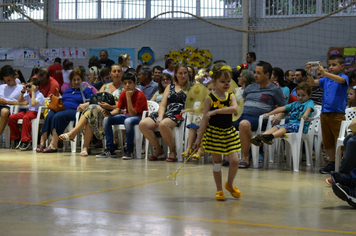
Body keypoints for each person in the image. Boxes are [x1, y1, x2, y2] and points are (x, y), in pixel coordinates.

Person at [194, 64, 241, 201]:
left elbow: (234, 109)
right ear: (213, 81)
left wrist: (216, 111)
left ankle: (230, 184)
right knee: (217, 163)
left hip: (229, 133)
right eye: (222, 81)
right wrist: (199, 138)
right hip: (214, 134)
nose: (226, 84)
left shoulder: (231, 96)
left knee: (234, 160)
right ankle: (219, 189)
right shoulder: (210, 99)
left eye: (228, 82)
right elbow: (204, 119)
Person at [58, 64, 124, 156]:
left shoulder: (125, 86)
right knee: (91, 114)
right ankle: (84, 147)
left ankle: (75, 134)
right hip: (100, 112)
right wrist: (85, 105)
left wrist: (110, 106)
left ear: (122, 73)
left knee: (92, 111)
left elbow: (124, 105)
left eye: (119, 71)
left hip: (115, 113)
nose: (116, 73)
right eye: (114, 71)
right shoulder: (106, 86)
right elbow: (96, 99)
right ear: (110, 73)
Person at [232, 61, 286, 168]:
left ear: (267, 75)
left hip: (259, 119)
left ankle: (245, 157)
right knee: (223, 122)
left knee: (244, 124)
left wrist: (279, 115)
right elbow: (241, 103)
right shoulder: (250, 88)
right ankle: (227, 157)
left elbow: (284, 107)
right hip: (243, 115)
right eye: (255, 72)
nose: (255, 75)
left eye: (258, 73)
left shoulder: (275, 90)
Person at [306, 54, 349, 174]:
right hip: (325, 114)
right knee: (328, 140)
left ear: (342, 66)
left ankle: (346, 163)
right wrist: (309, 73)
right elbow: (312, 83)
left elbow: (341, 80)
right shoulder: (326, 79)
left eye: (334, 65)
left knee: (342, 140)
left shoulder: (344, 76)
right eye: (329, 65)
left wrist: (325, 73)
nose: (331, 67)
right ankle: (332, 163)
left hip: (337, 114)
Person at [139, 63, 190, 162]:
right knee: (143, 124)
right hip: (167, 110)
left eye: (185, 73)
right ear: (176, 74)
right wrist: (160, 116)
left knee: (163, 124)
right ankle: (158, 149)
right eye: (180, 73)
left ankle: (172, 151)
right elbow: (162, 105)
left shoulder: (192, 87)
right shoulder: (170, 87)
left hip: (180, 112)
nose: (183, 75)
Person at [38, 70, 93, 153]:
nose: (76, 82)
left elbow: (93, 101)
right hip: (63, 109)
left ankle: (54, 145)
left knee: (58, 116)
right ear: (70, 82)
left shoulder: (86, 90)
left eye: (78, 79)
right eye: (74, 80)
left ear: (82, 80)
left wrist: (85, 105)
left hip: (75, 111)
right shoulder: (68, 90)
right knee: (50, 115)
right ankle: (42, 142)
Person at [96, 73, 148, 159]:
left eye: (130, 83)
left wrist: (128, 98)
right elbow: (117, 110)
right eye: (125, 83)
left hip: (139, 117)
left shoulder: (140, 95)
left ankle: (129, 150)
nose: (127, 85)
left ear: (135, 84)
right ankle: (110, 149)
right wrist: (108, 114)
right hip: (128, 116)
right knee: (107, 120)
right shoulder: (123, 93)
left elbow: (132, 114)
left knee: (128, 121)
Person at [8, 77, 45, 150]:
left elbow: (33, 104)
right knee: (11, 117)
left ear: (36, 87)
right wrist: (23, 91)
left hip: (36, 113)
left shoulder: (39, 95)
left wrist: (33, 92)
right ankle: (17, 137)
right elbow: (20, 100)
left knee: (26, 118)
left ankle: (26, 140)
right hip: (28, 112)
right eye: (27, 86)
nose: (28, 88)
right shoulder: (29, 94)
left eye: (29, 86)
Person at [182, 81, 214, 161]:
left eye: (214, 90)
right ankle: (189, 148)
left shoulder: (216, 101)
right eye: (210, 89)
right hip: (199, 121)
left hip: (210, 123)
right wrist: (188, 109)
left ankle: (200, 150)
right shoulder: (202, 100)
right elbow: (198, 110)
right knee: (192, 127)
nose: (212, 91)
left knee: (203, 129)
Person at [0, 65, 23, 137]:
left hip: (10, 108)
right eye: (5, 80)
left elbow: (24, 102)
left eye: (9, 80)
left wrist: (7, 102)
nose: (6, 82)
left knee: (4, 111)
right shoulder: (2, 87)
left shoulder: (21, 88)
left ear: (14, 77)